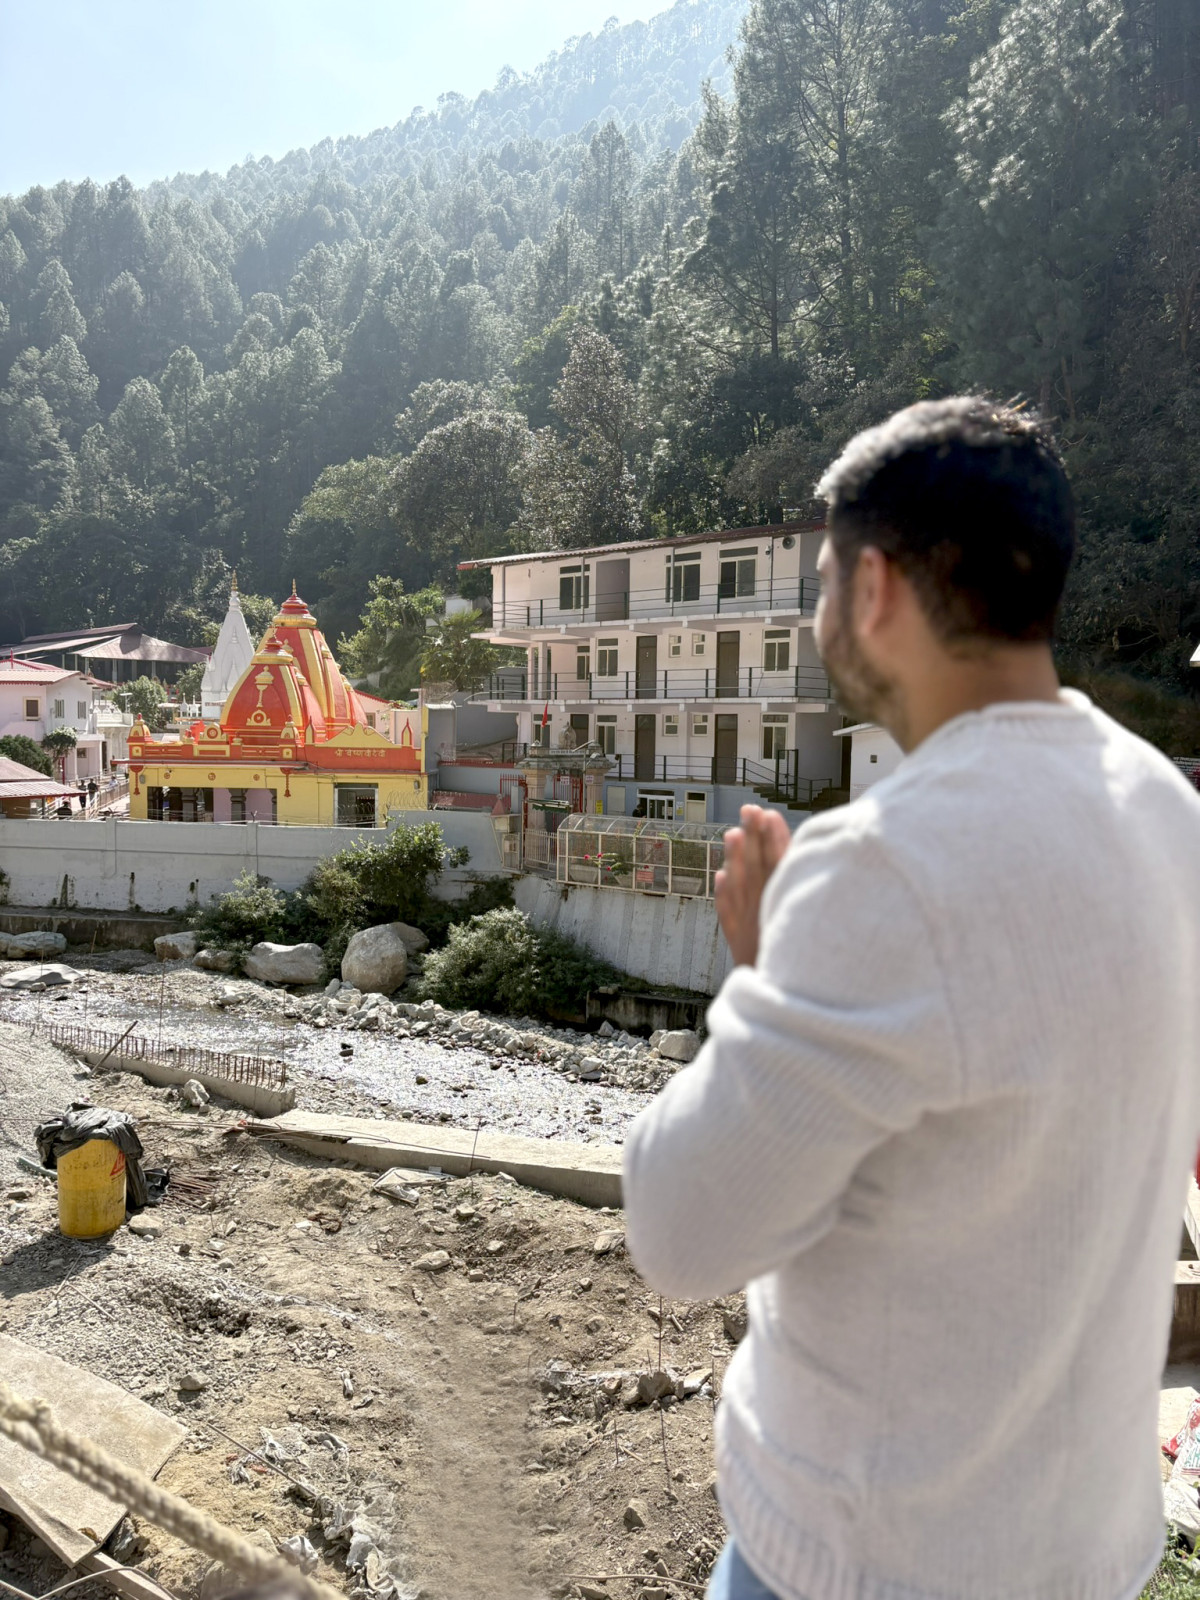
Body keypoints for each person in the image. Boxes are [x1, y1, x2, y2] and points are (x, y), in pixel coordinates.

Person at [622, 397, 1200, 1600]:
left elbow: (680, 1231)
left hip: (871, 1562)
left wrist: (765, 971)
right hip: (1087, 1553)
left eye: (824, 577)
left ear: (875, 589)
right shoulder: (1167, 815)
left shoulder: (884, 868)